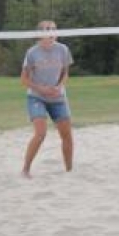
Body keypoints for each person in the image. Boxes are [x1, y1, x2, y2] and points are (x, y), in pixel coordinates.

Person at [20, 20, 74, 178]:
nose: (52, 33)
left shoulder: (63, 50)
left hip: (57, 97)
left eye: (54, 30)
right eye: (48, 30)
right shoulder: (32, 52)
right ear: (40, 34)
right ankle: (25, 170)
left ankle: (69, 171)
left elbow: (65, 73)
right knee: (40, 133)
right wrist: (42, 89)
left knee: (67, 135)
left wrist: (59, 87)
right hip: (37, 97)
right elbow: (23, 80)